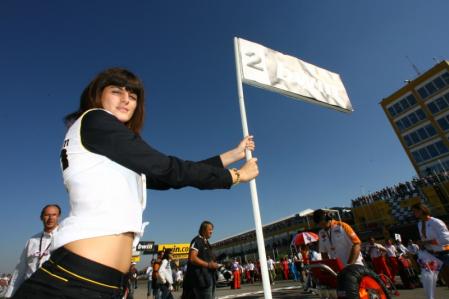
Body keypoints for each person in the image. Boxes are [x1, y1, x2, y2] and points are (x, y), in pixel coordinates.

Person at [12, 68, 259, 299]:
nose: (126, 99)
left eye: (133, 95)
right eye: (116, 91)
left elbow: (165, 177)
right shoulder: (96, 119)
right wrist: (235, 176)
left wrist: (232, 155)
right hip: (77, 278)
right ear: (98, 96)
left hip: (104, 282)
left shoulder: (108, 151)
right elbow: (169, 169)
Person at [5, 204, 61, 298]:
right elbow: (20, 270)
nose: (50, 218)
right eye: (47, 215)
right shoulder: (32, 240)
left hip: (53, 292)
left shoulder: (64, 239)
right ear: (41, 217)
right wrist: (9, 295)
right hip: (30, 292)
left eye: (54, 215)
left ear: (59, 217)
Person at [412, 203, 449, 287]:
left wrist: (426, 242)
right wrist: (421, 244)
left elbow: (446, 239)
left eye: (415, 211)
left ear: (421, 210)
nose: (414, 213)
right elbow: (424, 239)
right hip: (434, 255)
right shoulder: (419, 224)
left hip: (445, 252)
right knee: (446, 280)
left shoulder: (436, 222)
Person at [182, 221, 219, 299]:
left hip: (209, 279)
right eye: (210, 229)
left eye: (212, 229)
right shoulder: (197, 241)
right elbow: (192, 258)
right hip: (201, 281)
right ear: (203, 230)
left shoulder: (206, 242)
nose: (211, 231)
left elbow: (208, 259)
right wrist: (208, 265)